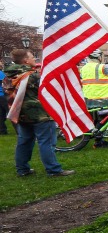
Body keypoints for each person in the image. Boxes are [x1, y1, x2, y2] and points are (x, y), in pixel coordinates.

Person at [4, 49, 74, 177]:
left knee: (24, 141)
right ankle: (53, 170)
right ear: (25, 61)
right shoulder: (33, 76)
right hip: (39, 114)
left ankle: (22, 169)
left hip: (21, 113)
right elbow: (49, 89)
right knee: (46, 142)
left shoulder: (9, 75)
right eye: (31, 57)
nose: (34, 59)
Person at [80, 51, 108, 147]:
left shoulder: (84, 68)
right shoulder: (103, 67)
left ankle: (98, 141)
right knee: (105, 118)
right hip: (102, 98)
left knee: (97, 119)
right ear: (99, 57)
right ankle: (98, 140)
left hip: (88, 98)